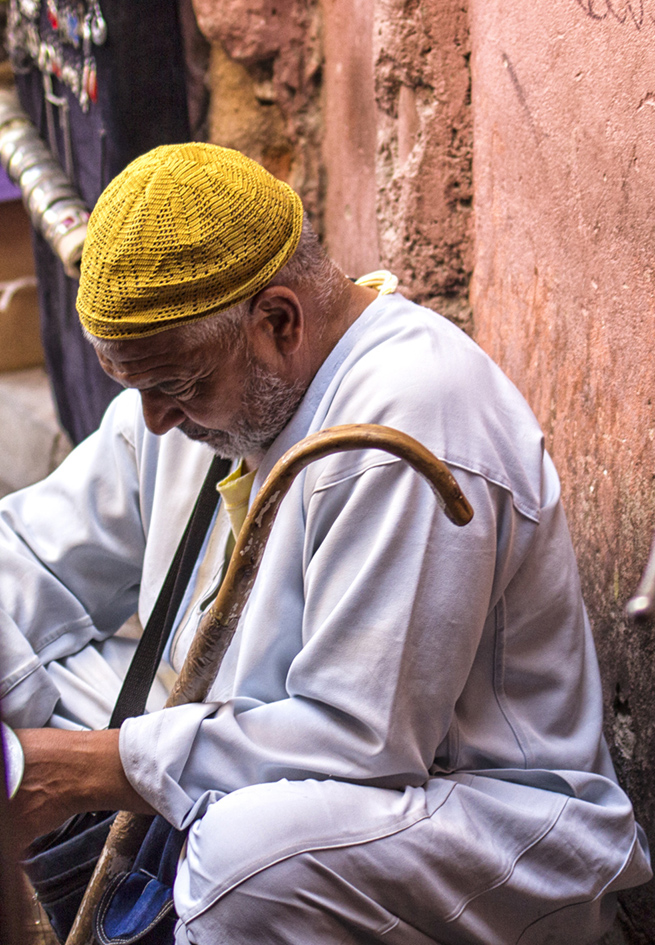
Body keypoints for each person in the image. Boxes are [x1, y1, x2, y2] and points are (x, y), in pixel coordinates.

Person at [1, 143, 650, 945]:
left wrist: (90, 767)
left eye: (174, 388)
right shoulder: (197, 389)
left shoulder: (408, 422)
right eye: (136, 390)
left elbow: (358, 744)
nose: (157, 420)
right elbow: (28, 556)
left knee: (246, 863)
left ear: (277, 321)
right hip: (253, 750)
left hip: (471, 827)